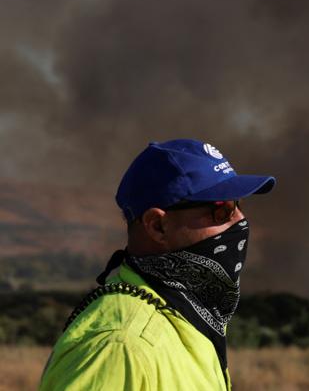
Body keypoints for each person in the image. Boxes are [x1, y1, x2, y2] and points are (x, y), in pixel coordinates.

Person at [40, 139, 276, 390]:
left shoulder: (188, 318)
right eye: (222, 210)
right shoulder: (122, 348)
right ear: (157, 226)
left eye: (238, 205)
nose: (240, 220)